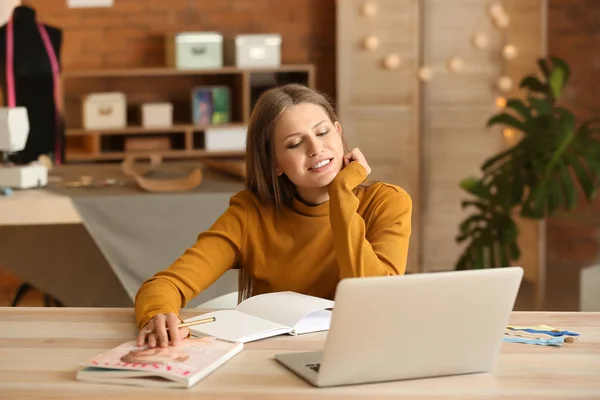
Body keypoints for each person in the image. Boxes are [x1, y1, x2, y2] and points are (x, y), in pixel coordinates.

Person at [135, 83, 412, 348]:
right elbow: (166, 284)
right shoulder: (250, 215)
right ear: (275, 163)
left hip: (361, 349)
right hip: (271, 358)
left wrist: (341, 194)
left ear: (338, 133)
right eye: (294, 144)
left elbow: (376, 299)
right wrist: (158, 314)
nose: (316, 149)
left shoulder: (386, 202)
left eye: (323, 132)